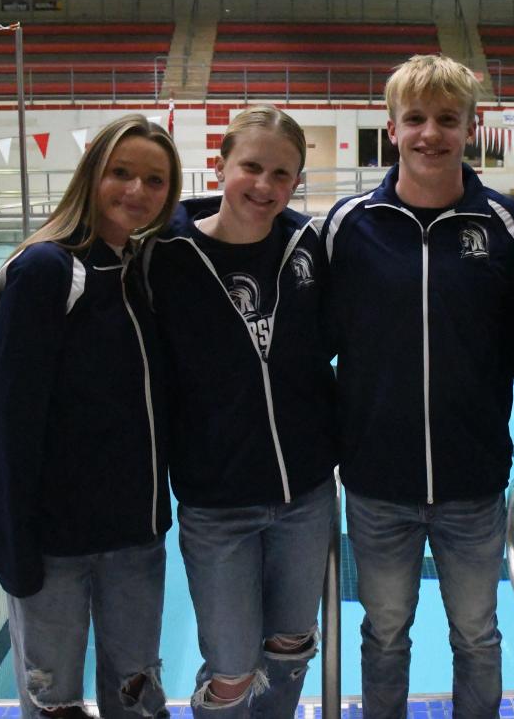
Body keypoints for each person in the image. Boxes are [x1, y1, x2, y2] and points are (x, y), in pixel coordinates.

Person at [321, 54, 514, 718]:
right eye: (416, 119)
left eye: (447, 119)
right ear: (391, 128)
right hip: (378, 485)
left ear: (473, 126)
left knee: (477, 635)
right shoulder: (349, 226)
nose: (430, 133)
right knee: (384, 634)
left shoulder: (505, 225)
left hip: (472, 485)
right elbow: (312, 341)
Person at [0, 114, 182, 719]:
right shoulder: (47, 271)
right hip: (54, 544)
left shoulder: (136, 270)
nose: (136, 192)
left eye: (155, 180)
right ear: (92, 173)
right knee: (54, 703)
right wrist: (11, 543)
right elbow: (4, 424)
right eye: (121, 173)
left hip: (134, 537)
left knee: (138, 696)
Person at [143, 106, 337, 717]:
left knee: (290, 648)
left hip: (305, 498)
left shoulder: (309, 248)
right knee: (230, 670)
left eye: (283, 174)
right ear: (220, 163)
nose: (264, 185)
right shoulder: (165, 256)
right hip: (217, 506)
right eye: (251, 166)